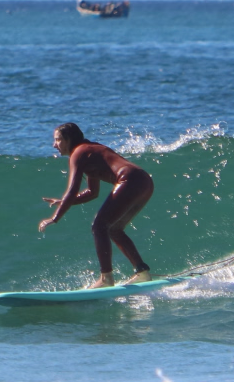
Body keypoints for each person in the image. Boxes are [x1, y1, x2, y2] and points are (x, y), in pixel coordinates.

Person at [38, 122, 154, 287]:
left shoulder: (79, 153)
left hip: (130, 180)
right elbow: (92, 192)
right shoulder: (88, 150)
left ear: (69, 139)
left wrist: (55, 218)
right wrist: (63, 202)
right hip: (144, 181)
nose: (54, 144)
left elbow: (72, 190)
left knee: (99, 226)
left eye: (58, 140)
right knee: (113, 229)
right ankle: (142, 272)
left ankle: (106, 279)